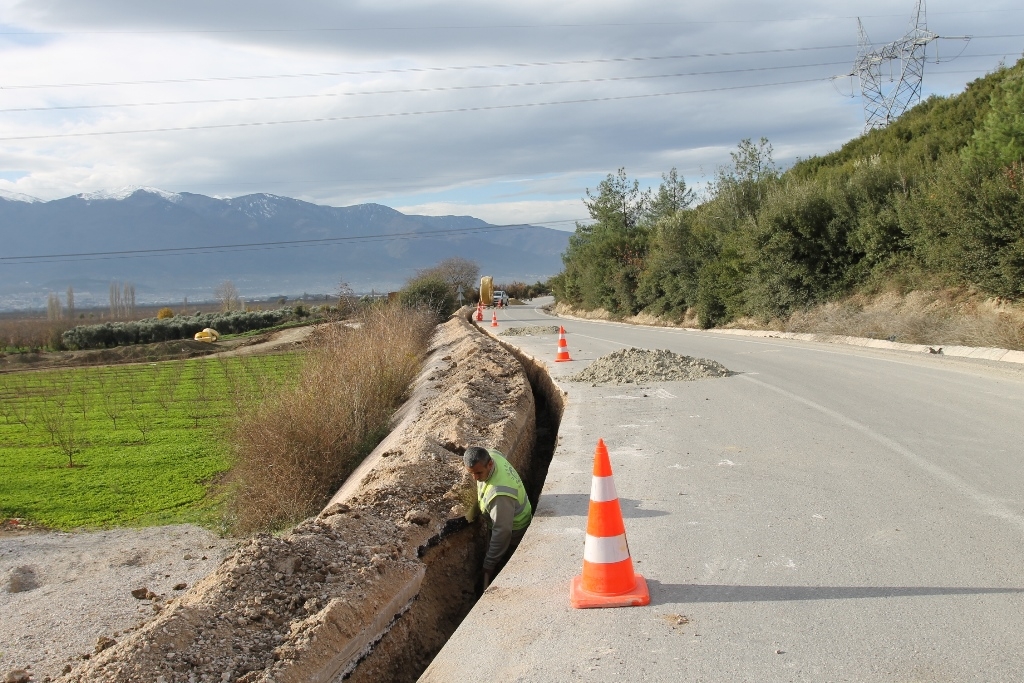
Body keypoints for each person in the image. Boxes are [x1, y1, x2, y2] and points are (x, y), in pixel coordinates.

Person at [464, 446, 533, 590]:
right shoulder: (493, 454)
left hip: (515, 529)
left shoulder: (499, 495)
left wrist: (489, 564)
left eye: (478, 473)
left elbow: (502, 532)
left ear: (489, 464)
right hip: (506, 517)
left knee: (506, 565)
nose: (475, 478)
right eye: (471, 473)